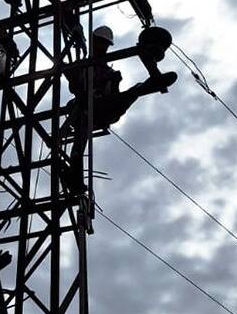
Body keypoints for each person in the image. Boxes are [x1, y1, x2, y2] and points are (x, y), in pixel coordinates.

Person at [64, 25, 177, 192]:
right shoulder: (82, 66)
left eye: (106, 44)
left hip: (107, 109)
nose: (103, 47)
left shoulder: (109, 71)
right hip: (87, 108)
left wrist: (114, 82)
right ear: (93, 41)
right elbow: (74, 87)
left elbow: (114, 96)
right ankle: (74, 180)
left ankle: (152, 83)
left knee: (136, 90)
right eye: (100, 43)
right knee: (79, 144)